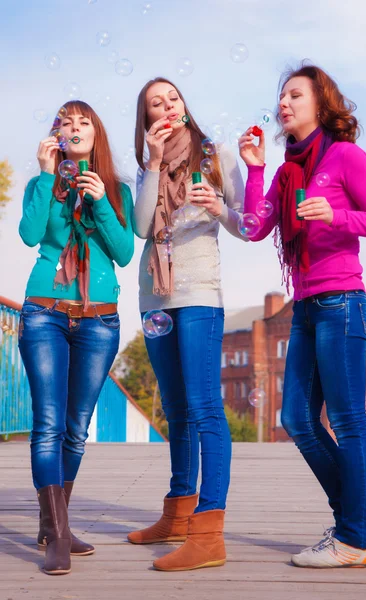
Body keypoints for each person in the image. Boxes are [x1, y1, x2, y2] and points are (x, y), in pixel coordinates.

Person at [239, 63, 366, 568]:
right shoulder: (287, 170)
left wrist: (336, 214)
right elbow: (253, 227)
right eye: (281, 96)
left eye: (295, 95)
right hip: (306, 307)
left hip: (342, 304)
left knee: (349, 422)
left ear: (321, 104)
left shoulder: (346, 157)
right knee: (296, 419)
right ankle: (354, 521)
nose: (284, 103)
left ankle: (352, 536)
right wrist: (256, 168)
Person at [127, 77, 246, 571]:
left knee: (203, 408)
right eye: (157, 104)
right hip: (155, 297)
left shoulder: (216, 156)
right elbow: (139, 227)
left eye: (173, 98)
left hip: (198, 293)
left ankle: (208, 532)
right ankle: (177, 513)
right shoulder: (145, 168)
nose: (168, 106)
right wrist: (153, 165)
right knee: (175, 407)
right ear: (148, 120)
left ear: (184, 104)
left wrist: (220, 208)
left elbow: (247, 223)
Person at [18, 100, 135, 575]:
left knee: (76, 429)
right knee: (48, 423)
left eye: (84, 122)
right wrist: (48, 176)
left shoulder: (117, 191)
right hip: (45, 312)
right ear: (56, 137)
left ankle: (52, 525)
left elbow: (124, 253)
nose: (75, 128)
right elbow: (29, 235)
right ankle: (60, 535)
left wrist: (102, 200)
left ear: (97, 134)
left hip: (99, 321)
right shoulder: (41, 185)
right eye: (66, 123)